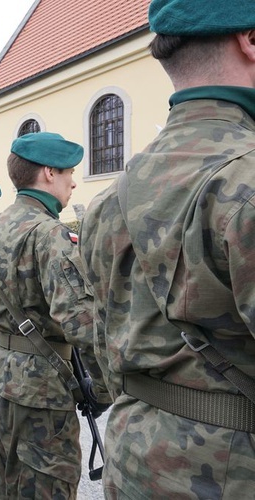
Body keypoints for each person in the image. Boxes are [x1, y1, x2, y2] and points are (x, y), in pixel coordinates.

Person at [80, 1, 255, 497]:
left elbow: (101, 339)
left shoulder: (110, 196)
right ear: (251, 39)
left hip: (134, 454)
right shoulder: (247, 176)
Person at [0, 132, 109, 499]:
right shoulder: (49, 234)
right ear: (49, 173)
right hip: (43, 388)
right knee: (48, 486)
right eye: (68, 172)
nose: (74, 182)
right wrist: (105, 389)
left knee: (5, 481)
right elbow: (82, 323)